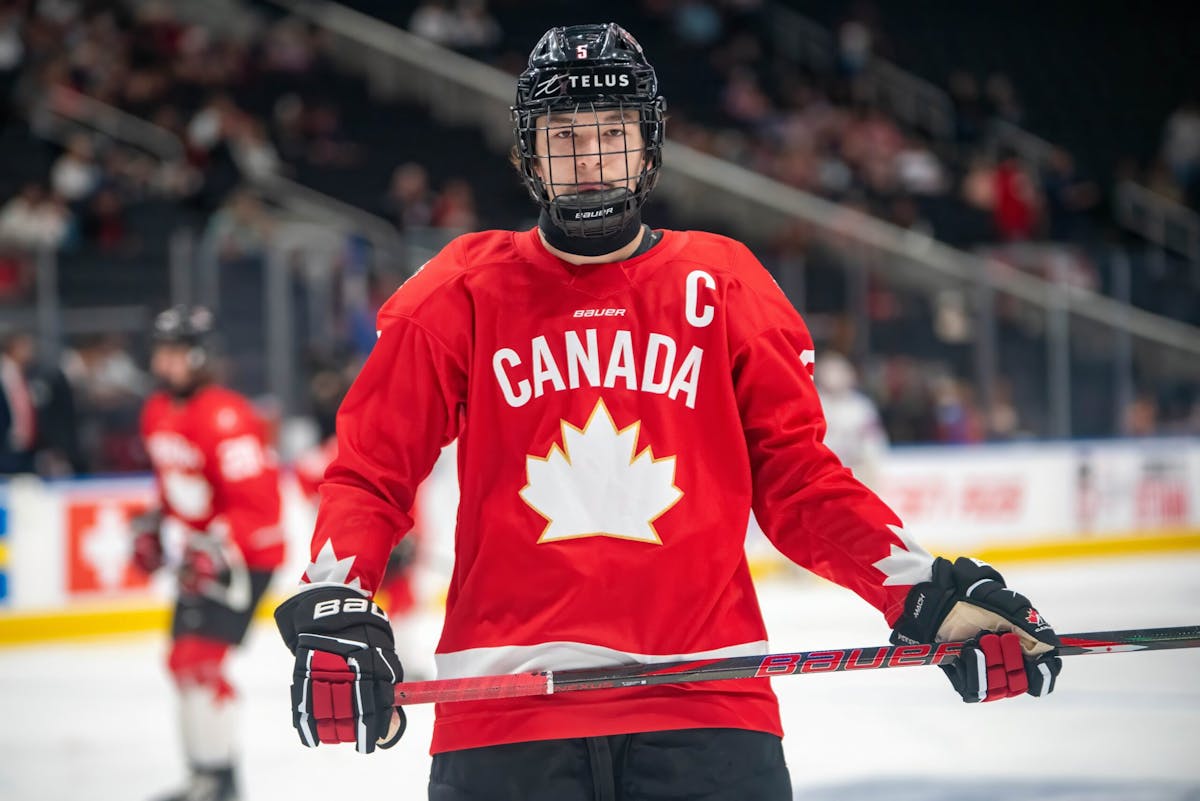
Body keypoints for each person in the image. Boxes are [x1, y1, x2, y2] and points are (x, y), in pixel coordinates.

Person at [273, 23, 1062, 801]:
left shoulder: (723, 283)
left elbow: (798, 479)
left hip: (706, 703)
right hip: (507, 716)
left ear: (648, 147)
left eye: (611, 133)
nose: (588, 159)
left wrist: (923, 590)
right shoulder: (460, 289)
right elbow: (371, 470)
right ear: (528, 154)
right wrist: (337, 597)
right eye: (564, 134)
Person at [135, 305, 284, 801]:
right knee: (181, 663)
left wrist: (215, 549)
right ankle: (204, 774)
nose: (165, 362)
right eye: (162, 350)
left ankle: (219, 780)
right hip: (203, 555)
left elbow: (259, 507)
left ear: (198, 355)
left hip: (243, 558)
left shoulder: (226, 415)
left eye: (175, 351)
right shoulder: (157, 410)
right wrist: (156, 526)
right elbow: (173, 484)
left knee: (199, 662)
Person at [813, 351, 888, 493]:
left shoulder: (860, 406)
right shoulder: (813, 403)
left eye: (839, 371)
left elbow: (873, 442)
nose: (834, 376)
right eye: (829, 371)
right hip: (821, 474)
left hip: (856, 472)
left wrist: (869, 467)